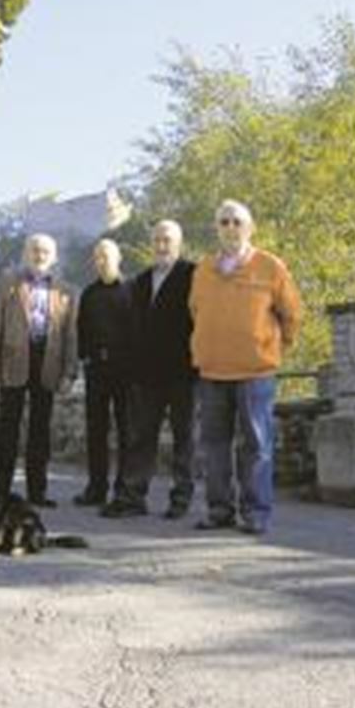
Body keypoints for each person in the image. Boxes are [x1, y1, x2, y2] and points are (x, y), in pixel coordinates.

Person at [189, 200, 302, 536]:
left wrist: (274, 347)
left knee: (256, 445)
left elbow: (292, 314)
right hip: (212, 371)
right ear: (217, 229)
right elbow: (195, 311)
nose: (230, 228)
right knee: (214, 446)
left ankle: (256, 512)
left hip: (255, 373)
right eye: (223, 222)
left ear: (250, 227)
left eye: (237, 222)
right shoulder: (204, 269)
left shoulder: (270, 266)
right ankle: (219, 510)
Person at [102, 220, 197, 520]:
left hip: (183, 372)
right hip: (145, 375)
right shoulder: (141, 281)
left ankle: (180, 500)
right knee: (140, 437)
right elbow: (131, 327)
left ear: (178, 243)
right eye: (156, 240)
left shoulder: (192, 275)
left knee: (185, 438)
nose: (161, 245)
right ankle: (132, 497)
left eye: (167, 240)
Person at [0, 233, 77, 507]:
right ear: (27, 253)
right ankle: (1, 491)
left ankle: (37, 492)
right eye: (35, 250)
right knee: (8, 430)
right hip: (14, 361)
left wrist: (69, 373)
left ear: (54, 256)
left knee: (40, 431)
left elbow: (71, 335)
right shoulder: (9, 283)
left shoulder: (65, 291)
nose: (40, 255)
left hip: (48, 363)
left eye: (46, 251)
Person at [74, 239, 133, 507]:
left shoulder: (132, 291)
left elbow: (140, 331)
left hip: (125, 370)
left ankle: (123, 488)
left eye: (106, 256)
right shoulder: (88, 294)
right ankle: (96, 488)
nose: (101, 261)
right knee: (96, 431)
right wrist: (84, 358)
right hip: (96, 369)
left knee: (126, 431)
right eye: (97, 257)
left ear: (118, 258)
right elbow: (81, 330)